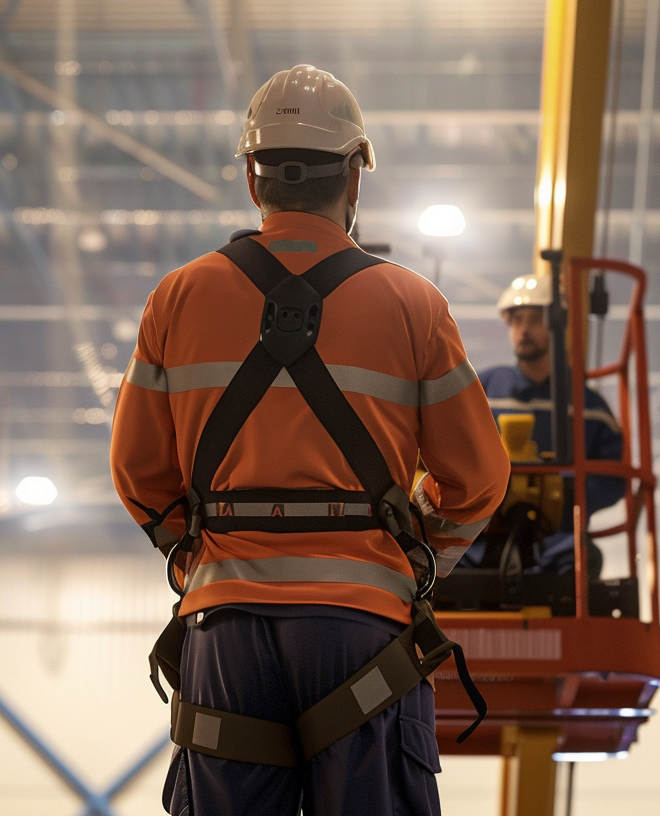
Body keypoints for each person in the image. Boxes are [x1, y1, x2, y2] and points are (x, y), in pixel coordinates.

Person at [110, 65, 509, 816]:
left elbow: (136, 471)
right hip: (363, 632)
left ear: (254, 182)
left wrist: (198, 547)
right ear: (355, 178)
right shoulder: (414, 305)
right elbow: (479, 478)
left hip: (223, 626)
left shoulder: (176, 298)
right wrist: (417, 549)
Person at [464, 274, 624, 576]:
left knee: (584, 565)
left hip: (558, 545)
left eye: (534, 320)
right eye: (516, 320)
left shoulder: (588, 406)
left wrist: (564, 494)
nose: (523, 330)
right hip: (478, 542)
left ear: (557, 324)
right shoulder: (482, 390)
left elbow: (613, 477)